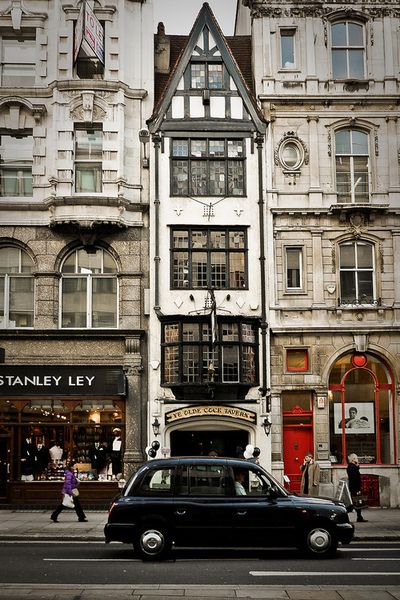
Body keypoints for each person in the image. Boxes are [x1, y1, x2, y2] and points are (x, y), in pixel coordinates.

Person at [347, 453, 368, 522]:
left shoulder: (351, 466)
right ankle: (346, 513)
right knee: (356, 502)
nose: (357, 459)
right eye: (356, 458)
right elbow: (355, 478)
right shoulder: (352, 467)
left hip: (353, 487)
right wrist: (358, 489)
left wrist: (357, 466)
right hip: (355, 487)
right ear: (353, 459)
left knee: (356, 502)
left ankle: (359, 517)